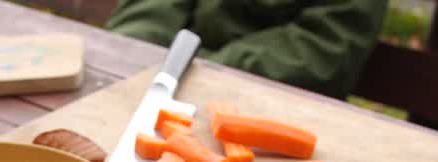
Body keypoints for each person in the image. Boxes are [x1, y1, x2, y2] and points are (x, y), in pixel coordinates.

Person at [105, 0, 388, 99]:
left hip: (271, 110)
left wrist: (189, 69)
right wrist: (130, 56)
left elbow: (324, 47)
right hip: (162, 84)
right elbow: (148, 13)